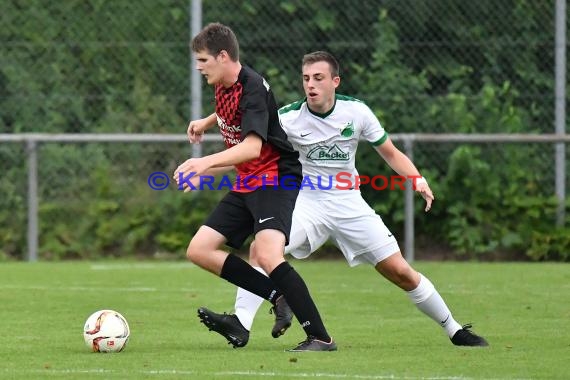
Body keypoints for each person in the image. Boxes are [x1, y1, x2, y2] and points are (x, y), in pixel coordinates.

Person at [195, 51, 489, 348]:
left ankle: (455, 330)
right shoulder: (289, 117)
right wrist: (207, 136)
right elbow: (251, 129)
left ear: (335, 81)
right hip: (306, 202)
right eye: (306, 78)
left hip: (349, 203)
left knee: (400, 272)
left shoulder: (357, 112)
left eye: (319, 78)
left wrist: (418, 179)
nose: (311, 85)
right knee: (262, 250)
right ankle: (241, 322)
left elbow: (390, 152)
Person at [174, 25, 337, 352]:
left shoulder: (253, 86)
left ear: (223, 57)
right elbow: (231, 113)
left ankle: (320, 337)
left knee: (267, 254)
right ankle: (277, 297)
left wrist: (203, 164)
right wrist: (206, 123)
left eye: (203, 59)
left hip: (275, 177)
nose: (198, 66)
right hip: (249, 180)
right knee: (199, 249)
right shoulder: (223, 82)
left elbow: (250, 147)